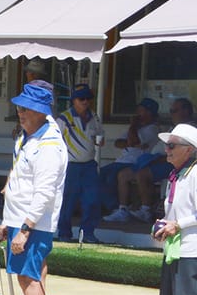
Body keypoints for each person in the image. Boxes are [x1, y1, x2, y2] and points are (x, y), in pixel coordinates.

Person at [0, 83, 67, 295]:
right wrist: (7, 222)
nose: (20, 113)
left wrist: (24, 229)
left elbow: (44, 192)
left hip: (35, 224)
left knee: (31, 279)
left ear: (40, 111)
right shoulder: (28, 137)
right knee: (26, 279)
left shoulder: (49, 145)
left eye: (25, 108)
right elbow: (18, 182)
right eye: (19, 107)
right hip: (20, 219)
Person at [146, 123, 197, 295]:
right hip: (176, 248)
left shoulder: (196, 173)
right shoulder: (176, 174)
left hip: (193, 249)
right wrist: (165, 223)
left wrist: (178, 224)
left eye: (172, 145)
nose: (166, 149)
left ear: (189, 150)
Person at [110, 98, 194, 223]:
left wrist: (161, 158)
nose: (171, 114)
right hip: (156, 160)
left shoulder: (191, 128)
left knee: (142, 174)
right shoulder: (174, 127)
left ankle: (146, 210)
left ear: (186, 111)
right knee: (123, 174)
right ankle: (123, 209)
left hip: (178, 164)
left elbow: (187, 154)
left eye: (174, 111)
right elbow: (118, 143)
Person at [55, 84, 104, 243]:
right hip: (71, 166)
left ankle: (87, 233)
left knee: (92, 199)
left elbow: (100, 135)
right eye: (81, 98)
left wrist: (100, 140)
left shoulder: (94, 117)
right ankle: (64, 233)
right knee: (68, 200)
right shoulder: (64, 119)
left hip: (89, 165)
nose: (85, 102)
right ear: (73, 100)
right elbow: (55, 141)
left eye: (88, 98)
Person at [101, 98, 160, 222]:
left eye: (141, 111)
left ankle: (120, 208)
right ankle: (113, 208)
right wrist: (130, 139)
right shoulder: (135, 128)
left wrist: (133, 127)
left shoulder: (152, 129)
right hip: (120, 162)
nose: (138, 114)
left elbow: (134, 141)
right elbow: (118, 143)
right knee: (99, 174)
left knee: (113, 176)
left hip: (134, 163)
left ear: (149, 113)